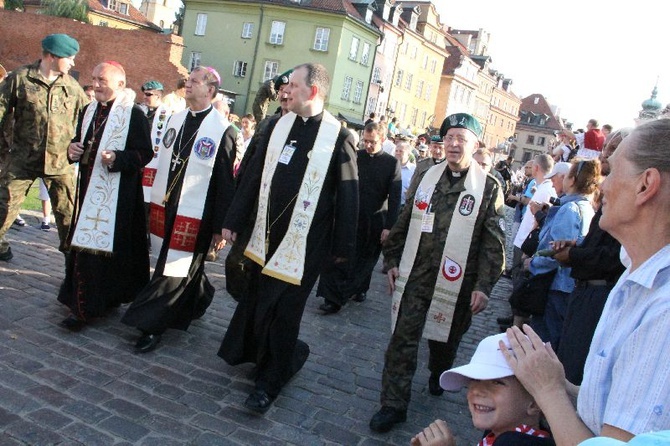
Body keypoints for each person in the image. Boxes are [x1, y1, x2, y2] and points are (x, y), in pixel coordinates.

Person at [504, 118, 670, 443]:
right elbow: (605, 406)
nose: (602, 186)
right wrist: (559, 381)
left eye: (612, 172)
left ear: (645, 185)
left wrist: (549, 390)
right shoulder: (636, 274)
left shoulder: (663, 308)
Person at [217, 63, 358, 413]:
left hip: (306, 245)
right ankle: (274, 355)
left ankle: (269, 383)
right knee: (261, 301)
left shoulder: (338, 138)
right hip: (267, 235)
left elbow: (348, 197)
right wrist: (233, 219)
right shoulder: (279, 126)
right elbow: (252, 176)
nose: (285, 90)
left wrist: (340, 252)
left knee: (285, 312)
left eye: (293, 85)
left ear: (313, 91)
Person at [369, 113, 505, 433]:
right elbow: (405, 218)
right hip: (417, 275)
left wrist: (484, 286)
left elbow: (493, 242)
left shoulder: (488, 186)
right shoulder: (427, 175)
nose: (454, 144)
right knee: (402, 340)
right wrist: (391, 262)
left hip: (459, 284)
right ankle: (393, 405)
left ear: (475, 144)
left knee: (445, 343)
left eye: (462, 138)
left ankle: (439, 370)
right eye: (450, 138)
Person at [121, 67, 239, 353]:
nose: (188, 85)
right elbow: (159, 160)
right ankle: (200, 297)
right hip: (168, 203)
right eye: (188, 81)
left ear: (210, 90)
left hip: (198, 214)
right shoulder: (175, 118)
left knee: (173, 268)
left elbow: (225, 182)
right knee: (181, 264)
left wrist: (219, 226)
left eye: (195, 82)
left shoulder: (223, 130)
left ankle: (151, 323)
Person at [58, 61, 152, 331]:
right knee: (85, 250)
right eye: (94, 78)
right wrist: (72, 150)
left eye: (102, 80)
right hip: (88, 191)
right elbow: (79, 142)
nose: (96, 84)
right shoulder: (89, 110)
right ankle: (83, 301)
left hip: (118, 197)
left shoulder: (133, 114)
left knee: (100, 253)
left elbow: (144, 153)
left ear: (120, 84)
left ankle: (87, 308)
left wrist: (118, 158)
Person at [0, 34, 87, 262]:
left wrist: (79, 145)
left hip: (60, 163)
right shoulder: (20, 78)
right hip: (22, 160)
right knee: (3, 208)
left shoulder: (71, 86)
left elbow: (89, 118)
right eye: (69, 57)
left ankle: (74, 268)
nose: (73, 63)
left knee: (69, 217)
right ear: (51, 56)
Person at [553, 129, 630, 385]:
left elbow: (617, 256)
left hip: (599, 294)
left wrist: (573, 254)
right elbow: (598, 242)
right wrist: (577, 245)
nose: (606, 153)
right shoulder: (611, 192)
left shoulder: (628, 200)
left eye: (614, 148)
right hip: (584, 291)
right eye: (606, 146)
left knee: (573, 374)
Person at [411, 334, 555, 446]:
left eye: (497, 382)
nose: (477, 391)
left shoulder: (515, 443)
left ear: (535, 403)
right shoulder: (503, 432)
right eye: (475, 379)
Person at [317, 121, 401, 314]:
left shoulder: (391, 163)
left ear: (382, 139)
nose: (368, 145)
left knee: (364, 261)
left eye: (372, 142)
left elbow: (395, 198)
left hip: (374, 221)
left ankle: (359, 288)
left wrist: (389, 227)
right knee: (340, 257)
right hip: (350, 216)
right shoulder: (356, 156)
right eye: (366, 141)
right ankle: (334, 298)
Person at [524, 160, 598, 346]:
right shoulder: (587, 208)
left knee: (545, 341)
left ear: (571, 180)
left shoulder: (570, 209)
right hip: (568, 286)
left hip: (557, 286)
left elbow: (555, 252)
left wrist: (532, 263)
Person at [139, 80, 172, 248]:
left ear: (158, 95)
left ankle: (148, 237)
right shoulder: (140, 112)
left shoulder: (168, 116)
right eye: (144, 94)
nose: (145, 97)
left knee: (150, 205)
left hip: (155, 167)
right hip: (139, 165)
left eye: (148, 94)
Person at [394, 139, 416, 206]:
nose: (398, 153)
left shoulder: (414, 170)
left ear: (408, 154)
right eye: (396, 151)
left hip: (405, 206)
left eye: (401, 151)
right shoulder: (390, 167)